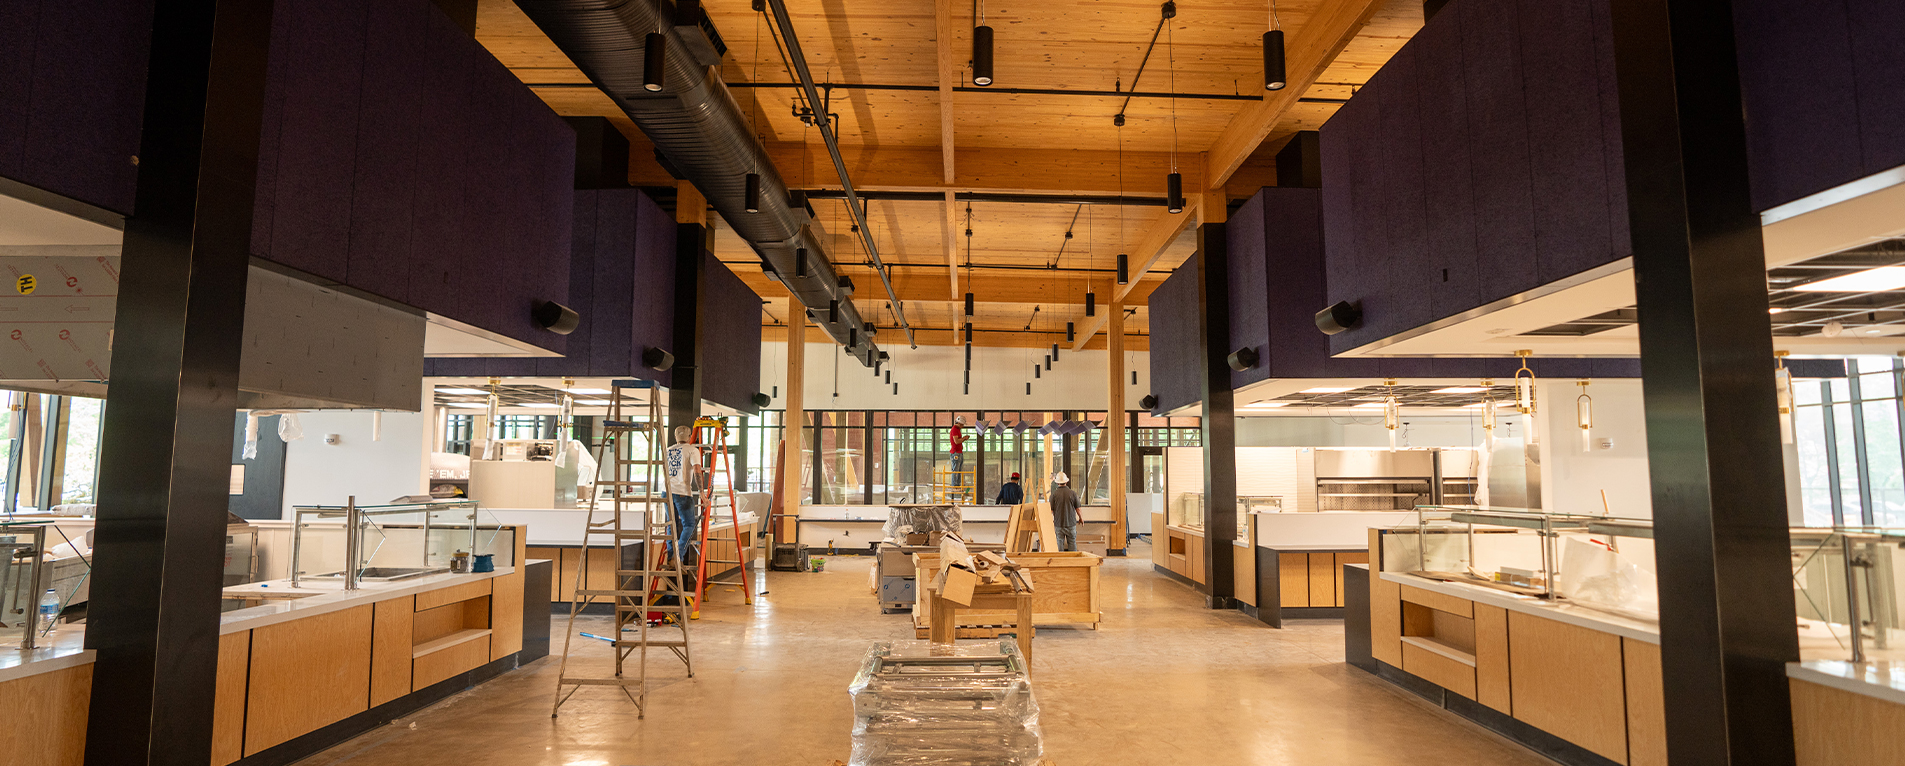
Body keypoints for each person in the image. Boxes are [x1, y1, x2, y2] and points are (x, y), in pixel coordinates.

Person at [663, 425, 701, 565]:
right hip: (682, 492)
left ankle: (670, 556)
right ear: (691, 436)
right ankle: (678, 555)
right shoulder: (692, 450)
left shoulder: (667, 450)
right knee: (689, 524)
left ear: (675, 437)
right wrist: (701, 492)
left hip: (666, 491)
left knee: (671, 524)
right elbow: (697, 470)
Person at [1047, 472, 1080, 552]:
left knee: (1059, 543)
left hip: (1058, 524)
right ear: (1066, 481)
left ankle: (1060, 562)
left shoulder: (1054, 494)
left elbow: (1050, 510)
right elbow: (1078, 508)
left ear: (1057, 482)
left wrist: (1049, 521)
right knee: (1072, 543)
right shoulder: (1073, 493)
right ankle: (1072, 562)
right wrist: (1081, 518)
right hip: (1071, 523)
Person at [949, 416, 968, 488]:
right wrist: (964, 438)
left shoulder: (957, 430)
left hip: (959, 452)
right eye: (962, 425)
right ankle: (955, 485)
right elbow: (956, 441)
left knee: (959, 469)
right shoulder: (954, 429)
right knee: (956, 470)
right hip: (955, 452)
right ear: (960, 423)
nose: (963, 426)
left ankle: (957, 484)